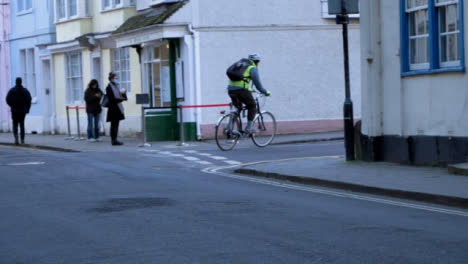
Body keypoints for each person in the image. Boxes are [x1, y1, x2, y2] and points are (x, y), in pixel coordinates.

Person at [227, 54, 271, 134]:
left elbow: (241, 79)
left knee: (238, 107)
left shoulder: (240, 64)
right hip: (241, 90)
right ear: (257, 62)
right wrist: (265, 92)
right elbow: (258, 85)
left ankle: (230, 128)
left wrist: (248, 88)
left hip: (230, 90)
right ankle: (249, 128)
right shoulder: (252, 68)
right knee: (252, 106)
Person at [6, 77, 32, 145]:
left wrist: (11, 105)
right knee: (22, 124)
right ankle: (22, 139)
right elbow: (29, 100)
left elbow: (7, 99)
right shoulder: (25, 91)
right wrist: (27, 109)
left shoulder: (12, 91)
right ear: (21, 82)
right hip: (22, 111)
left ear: (16, 82)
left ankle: (16, 137)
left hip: (14, 110)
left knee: (15, 124)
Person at [105, 72, 127, 146]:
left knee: (116, 125)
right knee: (113, 125)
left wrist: (124, 93)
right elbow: (112, 99)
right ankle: (113, 140)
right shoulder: (109, 87)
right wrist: (121, 99)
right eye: (116, 78)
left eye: (117, 78)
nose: (117, 79)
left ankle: (115, 139)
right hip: (113, 108)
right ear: (111, 79)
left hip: (118, 108)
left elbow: (124, 98)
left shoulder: (117, 86)